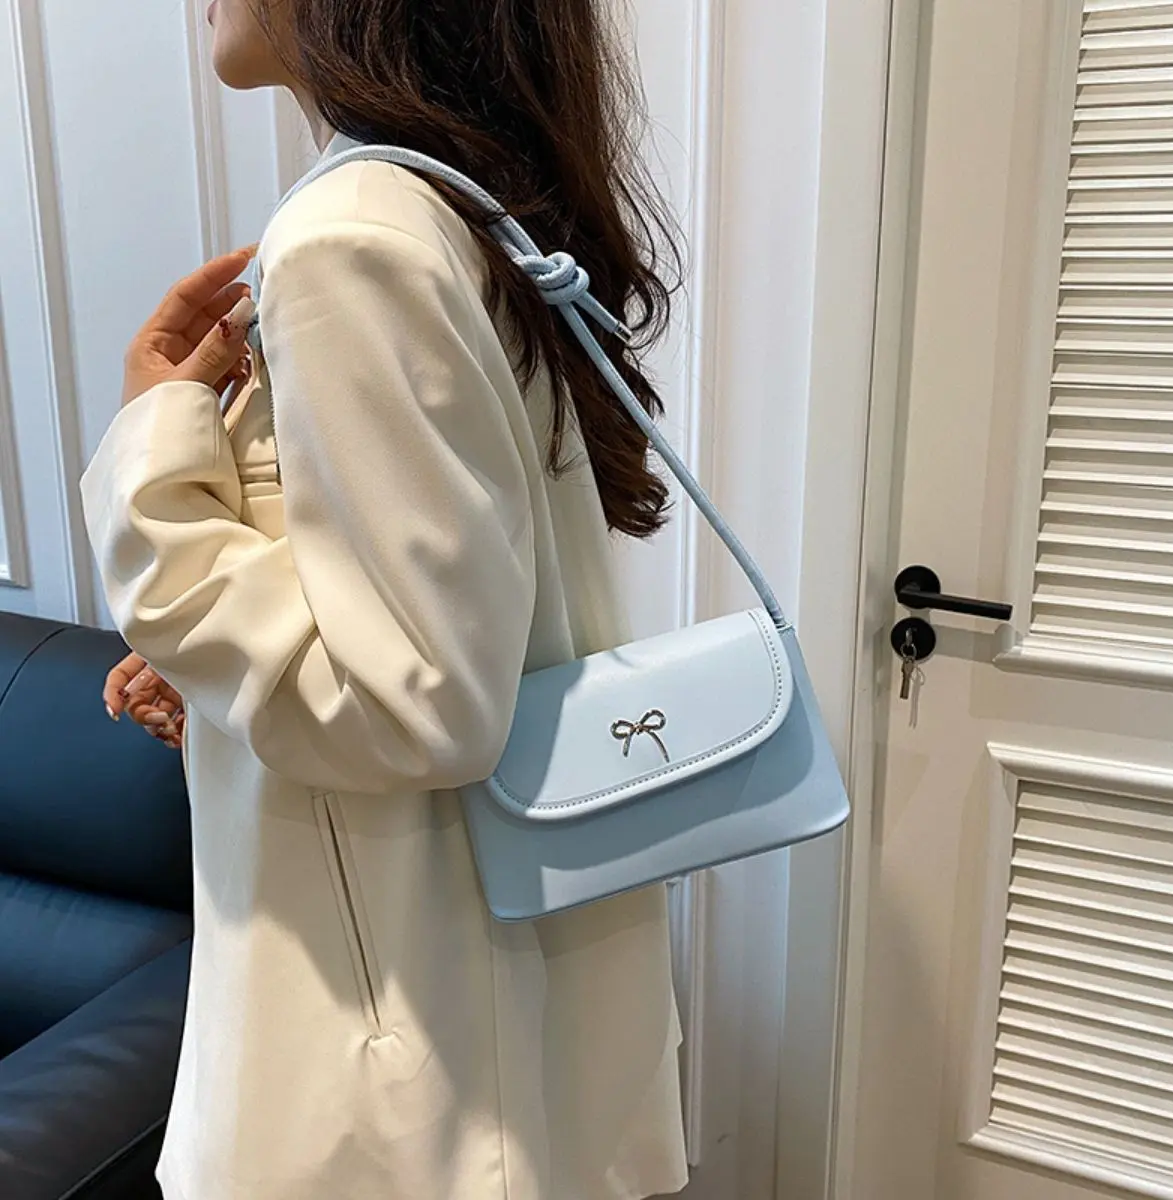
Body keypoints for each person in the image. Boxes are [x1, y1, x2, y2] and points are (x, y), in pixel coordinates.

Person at [80, 2, 689, 1197]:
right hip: (477, 1023)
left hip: (398, 1066)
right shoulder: (461, 211)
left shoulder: (348, 238)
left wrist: (155, 462)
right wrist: (216, 661)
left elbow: (416, 708)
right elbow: (450, 621)